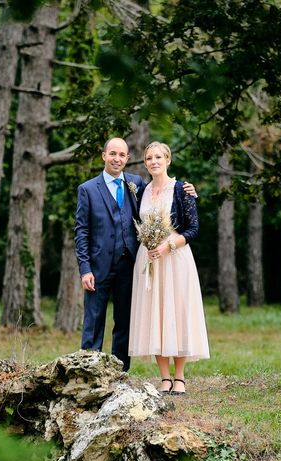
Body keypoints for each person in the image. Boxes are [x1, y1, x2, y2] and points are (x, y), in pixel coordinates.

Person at [74, 137, 195, 371]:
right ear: (104, 155)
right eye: (112, 154)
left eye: (122, 155)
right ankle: (89, 372)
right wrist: (85, 268)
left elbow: (163, 194)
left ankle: (120, 373)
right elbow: (81, 231)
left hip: (130, 265)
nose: (117, 159)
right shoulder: (87, 189)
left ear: (127, 158)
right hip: (98, 266)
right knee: (94, 320)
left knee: (124, 322)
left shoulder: (137, 184)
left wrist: (188, 190)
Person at [128, 141, 209, 393]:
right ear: (145, 163)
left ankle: (180, 377)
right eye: (149, 158)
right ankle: (164, 377)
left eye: (158, 157)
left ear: (168, 160)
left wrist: (168, 246)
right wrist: (152, 247)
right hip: (148, 259)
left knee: (177, 313)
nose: (154, 162)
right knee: (155, 315)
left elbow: (193, 229)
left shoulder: (182, 189)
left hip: (175, 257)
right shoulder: (141, 190)